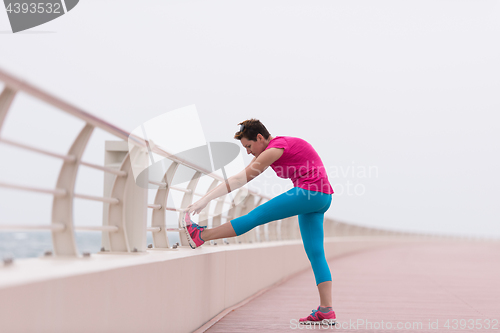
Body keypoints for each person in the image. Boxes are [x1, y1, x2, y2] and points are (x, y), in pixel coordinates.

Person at [181, 119, 336, 325]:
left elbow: (239, 179)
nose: (248, 151)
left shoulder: (275, 149)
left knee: (255, 217)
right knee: (316, 254)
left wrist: (205, 199)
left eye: (248, 146)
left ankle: (201, 235)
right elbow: (243, 174)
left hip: (309, 192)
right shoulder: (278, 146)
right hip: (322, 198)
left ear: (260, 138)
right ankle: (326, 310)